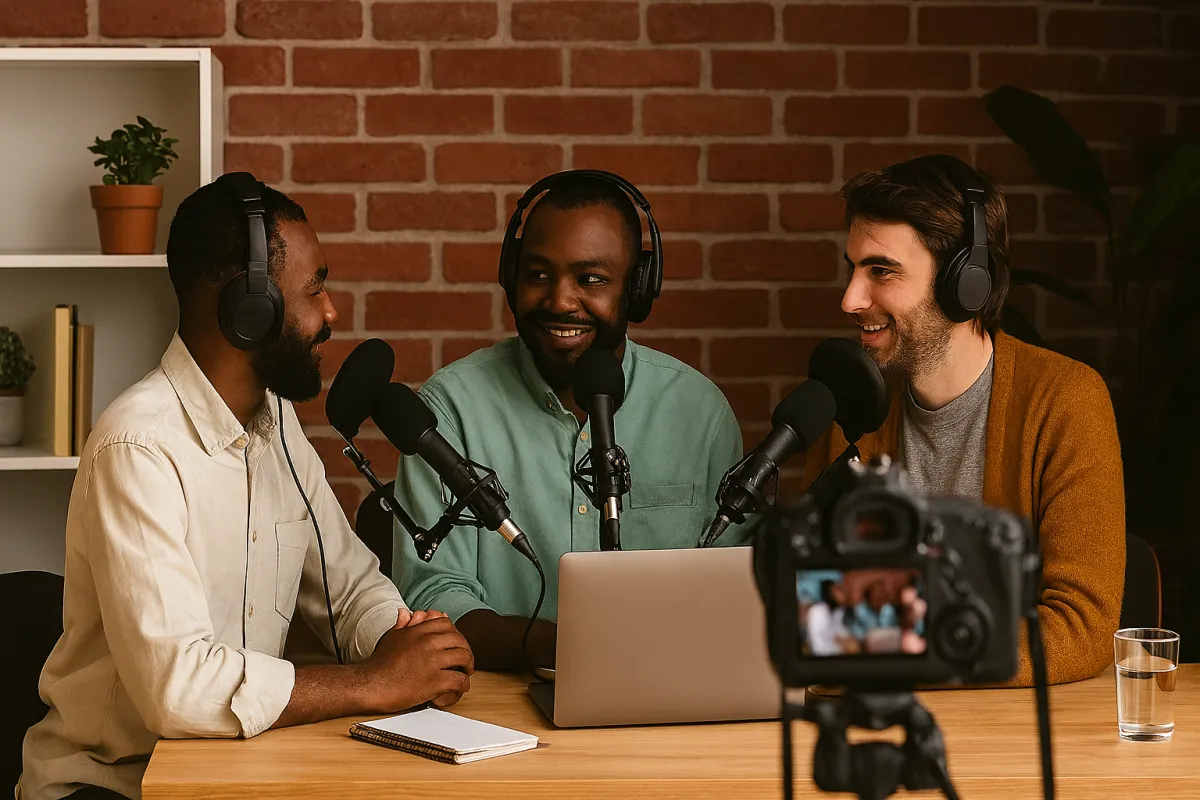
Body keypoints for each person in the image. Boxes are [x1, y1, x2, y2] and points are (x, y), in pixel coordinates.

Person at [19, 174, 473, 800]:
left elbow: (348, 583)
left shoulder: (277, 424)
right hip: (111, 786)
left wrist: (405, 642)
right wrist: (373, 683)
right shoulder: (139, 446)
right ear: (248, 309)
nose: (331, 313)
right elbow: (177, 689)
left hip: (224, 772)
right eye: (315, 289)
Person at [392, 171, 746, 671]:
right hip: (497, 704)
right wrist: (556, 646)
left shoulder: (699, 412)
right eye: (538, 274)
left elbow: (734, 587)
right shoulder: (451, 408)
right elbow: (434, 592)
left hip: (665, 695)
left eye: (591, 280)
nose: (560, 300)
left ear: (637, 289)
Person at [802, 155, 1125, 686]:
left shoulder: (1066, 401)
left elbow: (1081, 627)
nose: (850, 299)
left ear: (964, 282)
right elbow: (817, 607)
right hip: (884, 727)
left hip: (1016, 737)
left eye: (880, 271)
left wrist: (901, 645)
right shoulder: (852, 412)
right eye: (852, 269)